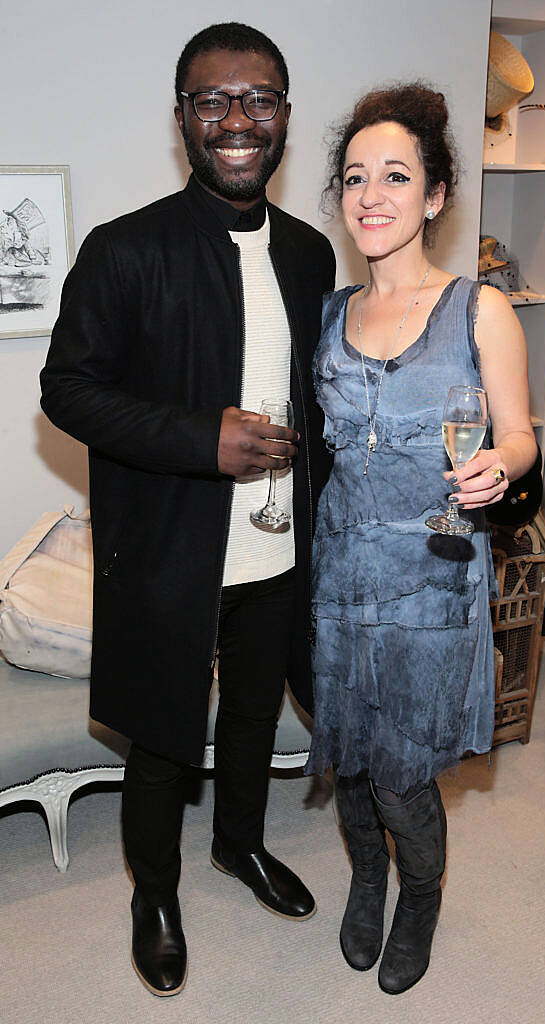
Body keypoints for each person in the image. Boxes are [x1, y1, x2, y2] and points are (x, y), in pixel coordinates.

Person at [40, 22, 335, 998]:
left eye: (259, 98)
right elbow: (68, 390)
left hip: (278, 547)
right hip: (169, 551)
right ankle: (151, 895)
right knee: (164, 736)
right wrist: (195, 438)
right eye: (213, 101)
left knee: (253, 713)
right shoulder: (123, 250)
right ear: (182, 122)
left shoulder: (307, 253)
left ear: (285, 114)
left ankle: (239, 846)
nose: (237, 120)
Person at [305, 84, 536, 996]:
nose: (371, 195)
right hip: (341, 575)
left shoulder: (478, 309)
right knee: (353, 758)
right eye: (355, 178)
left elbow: (520, 436)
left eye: (395, 176)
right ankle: (367, 876)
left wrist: (501, 467)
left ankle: (421, 899)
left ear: (435, 195)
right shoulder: (328, 314)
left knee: (403, 775)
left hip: (432, 574)